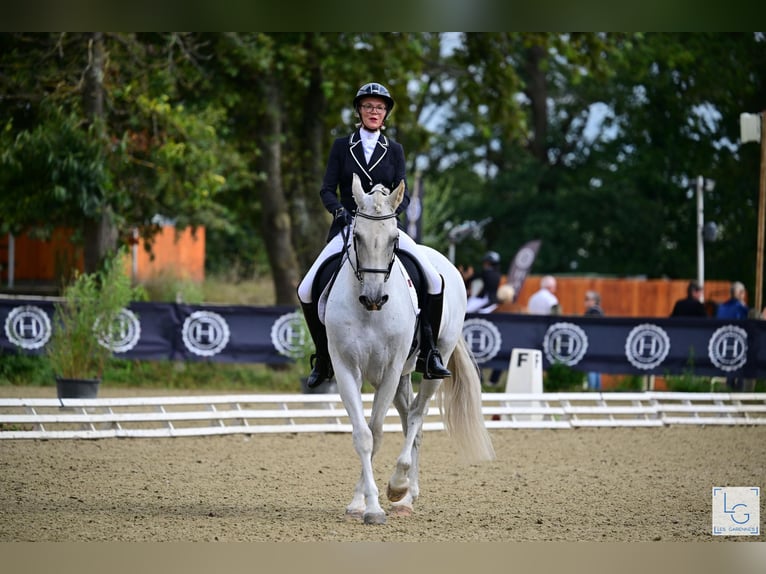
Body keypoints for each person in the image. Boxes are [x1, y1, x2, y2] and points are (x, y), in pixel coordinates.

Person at [296, 82, 451, 388]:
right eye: (368, 106)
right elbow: (327, 189)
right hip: (349, 226)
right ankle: (324, 358)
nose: (373, 112)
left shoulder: (395, 151)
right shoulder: (342, 146)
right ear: (360, 111)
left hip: (385, 226)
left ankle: (429, 352)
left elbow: (403, 192)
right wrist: (340, 212)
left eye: (379, 108)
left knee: (433, 279)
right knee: (305, 289)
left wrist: (393, 213)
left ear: (385, 114)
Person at [715, 281, 749, 392]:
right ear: (740, 293)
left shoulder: (722, 307)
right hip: (739, 346)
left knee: (730, 373)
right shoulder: (741, 308)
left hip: (723, 346)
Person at [583, 290, 604, 391]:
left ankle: (593, 390)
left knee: (592, 367)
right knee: (595, 368)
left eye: (587, 299)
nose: (585, 302)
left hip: (593, 344)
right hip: (597, 344)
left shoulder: (594, 311)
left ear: (594, 301)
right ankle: (596, 390)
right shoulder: (595, 311)